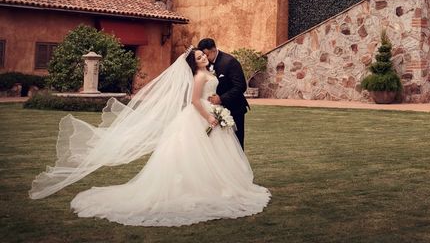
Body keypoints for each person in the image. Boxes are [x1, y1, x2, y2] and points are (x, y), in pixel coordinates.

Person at [29, 48, 270, 227]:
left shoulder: (211, 72)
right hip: (200, 117)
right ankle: (201, 187)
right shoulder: (199, 77)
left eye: (203, 55)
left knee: (214, 153)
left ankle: (220, 185)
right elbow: (195, 101)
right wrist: (209, 117)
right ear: (193, 64)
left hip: (212, 114)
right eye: (198, 57)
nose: (203, 58)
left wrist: (217, 110)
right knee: (196, 154)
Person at [197, 38, 250, 149]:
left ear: (213, 49)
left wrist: (222, 99)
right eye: (203, 55)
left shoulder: (230, 62)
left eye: (206, 54)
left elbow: (241, 86)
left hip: (234, 108)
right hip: (214, 110)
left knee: (236, 143)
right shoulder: (206, 65)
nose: (205, 57)